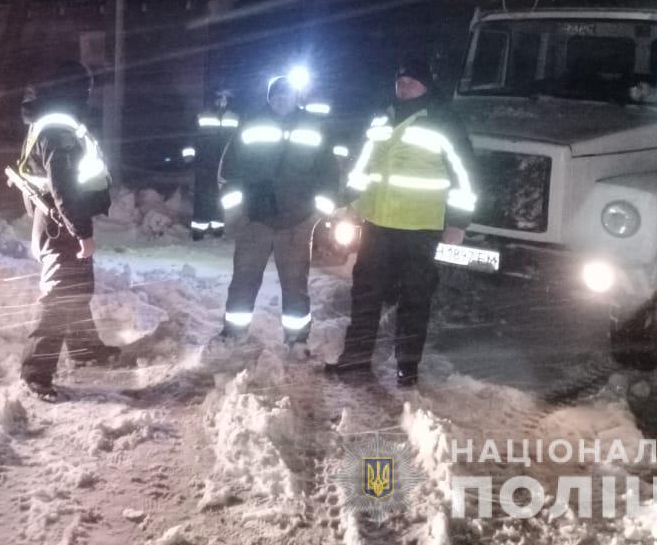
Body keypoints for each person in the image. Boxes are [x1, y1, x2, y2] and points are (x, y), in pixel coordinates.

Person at [325, 54, 477, 387]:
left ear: (426, 85)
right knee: (365, 293)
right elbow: (363, 166)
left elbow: (465, 174)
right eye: (400, 81)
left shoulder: (442, 121)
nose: (404, 86)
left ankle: (407, 368)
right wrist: (349, 203)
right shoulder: (383, 118)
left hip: (419, 227)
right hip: (378, 223)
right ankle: (355, 359)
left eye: (411, 81)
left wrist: (458, 222)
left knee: (415, 298)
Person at [15, 61, 120, 401]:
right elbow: (64, 189)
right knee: (61, 295)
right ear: (71, 92)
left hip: (56, 222)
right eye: (85, 89)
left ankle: (85, 349)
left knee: (76, 288)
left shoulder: (51, 123)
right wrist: (82, 232)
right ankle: (36, 372)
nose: (89, 95)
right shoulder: (57, 132)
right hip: (61, 225)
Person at [216, 75, 341, 346]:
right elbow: (229, 172)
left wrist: (315, 216)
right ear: (269, 98)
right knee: (244, 279)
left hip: (297, 222)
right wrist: (238, 213)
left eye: (286, 96)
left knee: (295, 284)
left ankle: (297, 340)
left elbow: (330, 176)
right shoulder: (250, 124)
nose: (281, 101)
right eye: (276, 96)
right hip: (255, 221)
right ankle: (233, 333)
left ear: (296, 98)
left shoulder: (315, 128)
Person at [184, 88, 239, 240]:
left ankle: (218, 227)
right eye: (219, 97)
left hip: (224, 164)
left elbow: (238, 142)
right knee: (202, 196)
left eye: (226, 97)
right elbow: (191, 137)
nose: (222, 101)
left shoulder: (235, 118)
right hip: (204, 163)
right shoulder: (203, 116)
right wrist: (189, 156)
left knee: (221, 196)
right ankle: (198, 230)